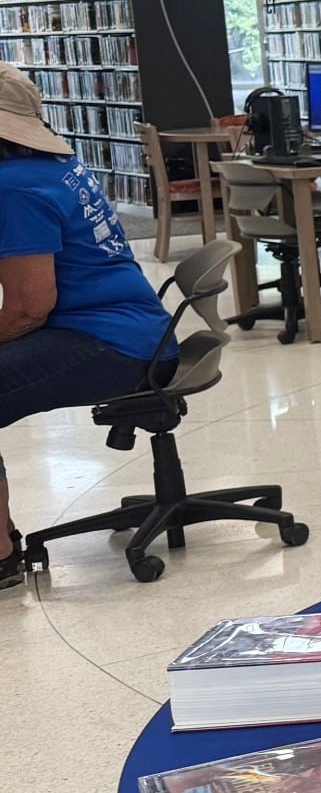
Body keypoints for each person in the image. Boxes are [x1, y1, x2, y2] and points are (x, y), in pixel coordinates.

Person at [0, 65, 174, 589]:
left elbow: (30, 307)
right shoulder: (55, 167)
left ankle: (1, 552)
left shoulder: (12, 188)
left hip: (110, 343)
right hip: (140, 328)